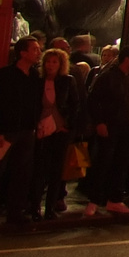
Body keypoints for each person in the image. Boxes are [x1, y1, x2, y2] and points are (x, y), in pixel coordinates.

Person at [0, 36, 44, 226]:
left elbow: (35, 104)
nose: (38, 52)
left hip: (26, 131)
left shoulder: (35, 76)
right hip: (5, 131)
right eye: (34, 49)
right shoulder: (5, 74)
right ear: (22, 53)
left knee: (22, 174)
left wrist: (35, 125)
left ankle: (14, 213)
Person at [84, 43, 129, 216]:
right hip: (110, 125)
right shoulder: (107, 77)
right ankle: (94, 200)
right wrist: (99, 122)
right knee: (103, 163)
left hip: (128, 126)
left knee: (122, 164)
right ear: (127, 59)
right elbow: (94, 100)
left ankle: (115, 200)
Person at [30, 46, 81, 220]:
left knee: (56, 171)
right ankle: (35, 207)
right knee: (39, 170)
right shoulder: (37, 81)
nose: (50, 65)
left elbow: (75, 105)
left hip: (60, 130)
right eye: (48, 62)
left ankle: (50, 207)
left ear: (61, 64)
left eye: (54, 62)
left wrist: (69, 126)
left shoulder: (67, 81)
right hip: (42, 130)